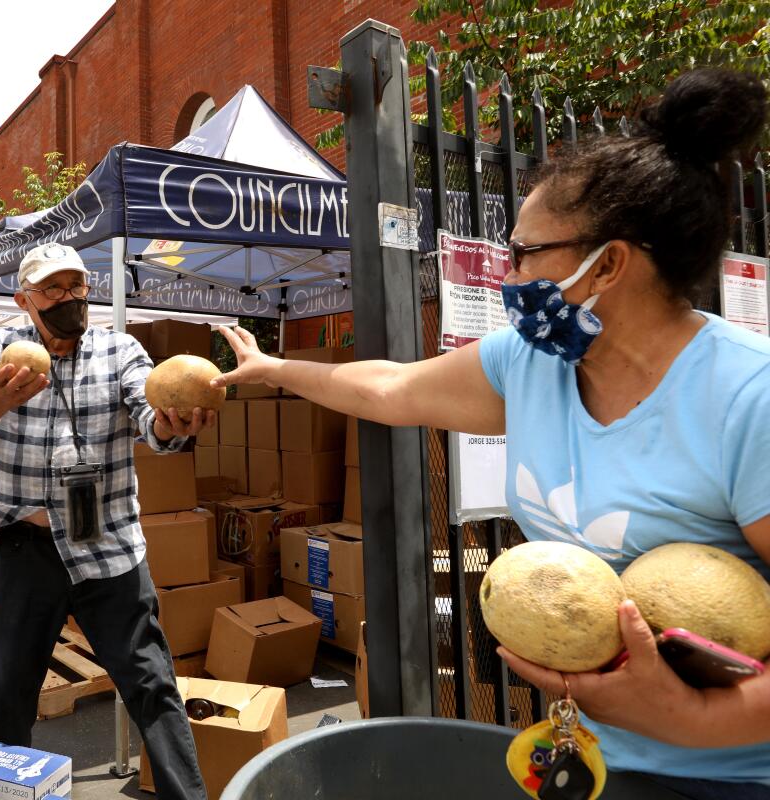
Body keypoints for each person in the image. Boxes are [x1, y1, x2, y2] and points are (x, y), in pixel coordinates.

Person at [214, 69, 770, 798]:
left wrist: (690, 718)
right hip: (591, 765)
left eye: (525, 254)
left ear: (609, 263)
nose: (509, 278)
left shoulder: (747, 398)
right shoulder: (530, 363)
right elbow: (391, 388)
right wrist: (273, 367)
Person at [0, 243, 213, 800]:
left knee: (151, 684)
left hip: (110, 547)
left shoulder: (120, 348)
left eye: (76, 286)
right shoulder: (3, 347)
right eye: (53, 290)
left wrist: (171, 425)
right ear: (25, 300)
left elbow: (150, 418)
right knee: (9, 690)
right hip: (28, 547)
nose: (68, 298)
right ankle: (10, 793)